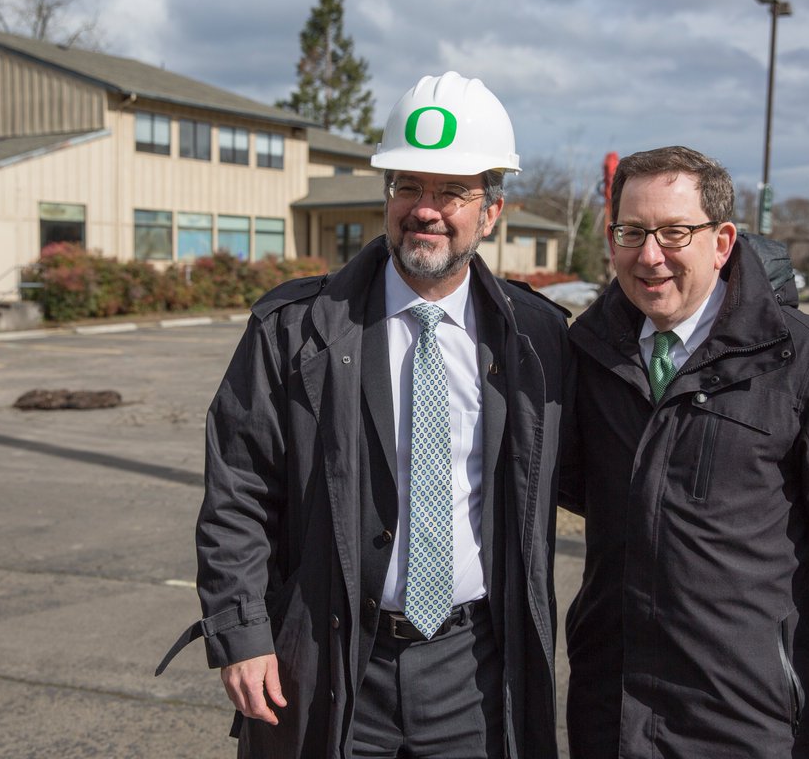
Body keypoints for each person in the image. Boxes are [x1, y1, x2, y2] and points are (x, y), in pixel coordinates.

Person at [156, 71, 573, 758]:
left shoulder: (538, 339)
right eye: (408, 186)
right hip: (332, 659)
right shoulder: (294, 330)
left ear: (492, 211)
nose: (425, 209)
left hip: (476, 670)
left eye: (451, 192)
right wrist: (243, 633)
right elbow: (238, 491)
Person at [561, 146, 809, 759]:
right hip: (609, 717)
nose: (650, 256)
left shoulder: (805, 361)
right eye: (632, 232)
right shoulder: (586, 354)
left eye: (674, 232)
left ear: (721, 242)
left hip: (749, 724)